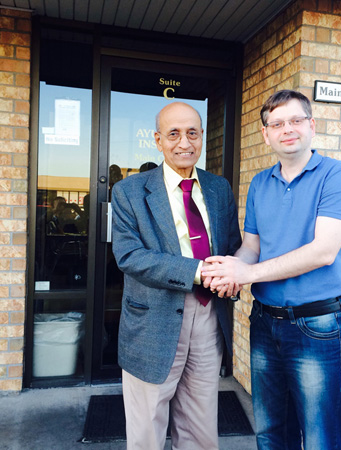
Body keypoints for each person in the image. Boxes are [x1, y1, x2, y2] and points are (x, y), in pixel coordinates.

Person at [202, 90, 341, 449]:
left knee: (320, 437)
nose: (287, 129)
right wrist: (229, 269)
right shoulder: (260, 183)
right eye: (277, 123)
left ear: (311, 125)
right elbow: (253, 246)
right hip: (264, 322)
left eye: (295, 120)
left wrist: (248, 274)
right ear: (266, 133)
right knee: (272, 433)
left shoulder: (337, 175)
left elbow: (323, 251)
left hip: (316, 325)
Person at [111, 101, 242, 450]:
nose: (184, 142)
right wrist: (198, 271)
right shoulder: (129, 191)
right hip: (154, 318)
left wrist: (233, 276)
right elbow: (129, 255)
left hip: (209, 316)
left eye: (192, 133)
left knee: (200, 425)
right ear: (158, 140)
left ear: (201, 137)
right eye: (174, 134)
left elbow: (232, 246)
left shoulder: (218, 188)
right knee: (146, 431)